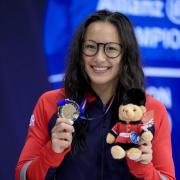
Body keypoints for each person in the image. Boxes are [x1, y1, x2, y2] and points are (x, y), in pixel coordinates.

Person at [16, 10, 175, 180]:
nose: (99, 58)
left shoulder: (151, 109)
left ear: (126, 56)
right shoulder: (51, 102)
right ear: (80, 52)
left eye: (111, 49)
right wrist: (52, 152)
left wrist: (143, 168)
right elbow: (22, 175)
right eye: (91, 47)